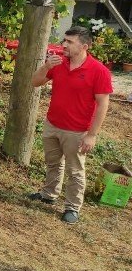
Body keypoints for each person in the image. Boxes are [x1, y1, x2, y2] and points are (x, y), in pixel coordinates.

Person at [28, 26, 112, 225]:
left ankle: (72, 208)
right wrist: (46, 67)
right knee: (53, 163)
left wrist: (92, 134)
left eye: (69, 42)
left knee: (75, 171)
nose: (63, 45)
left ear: (84, 46)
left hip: (77, 131)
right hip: (52, 124)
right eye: (64, 41)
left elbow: (103, 104)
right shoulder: (58, 63)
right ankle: (49, 194)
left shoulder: (99, 71)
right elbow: (35, 82)